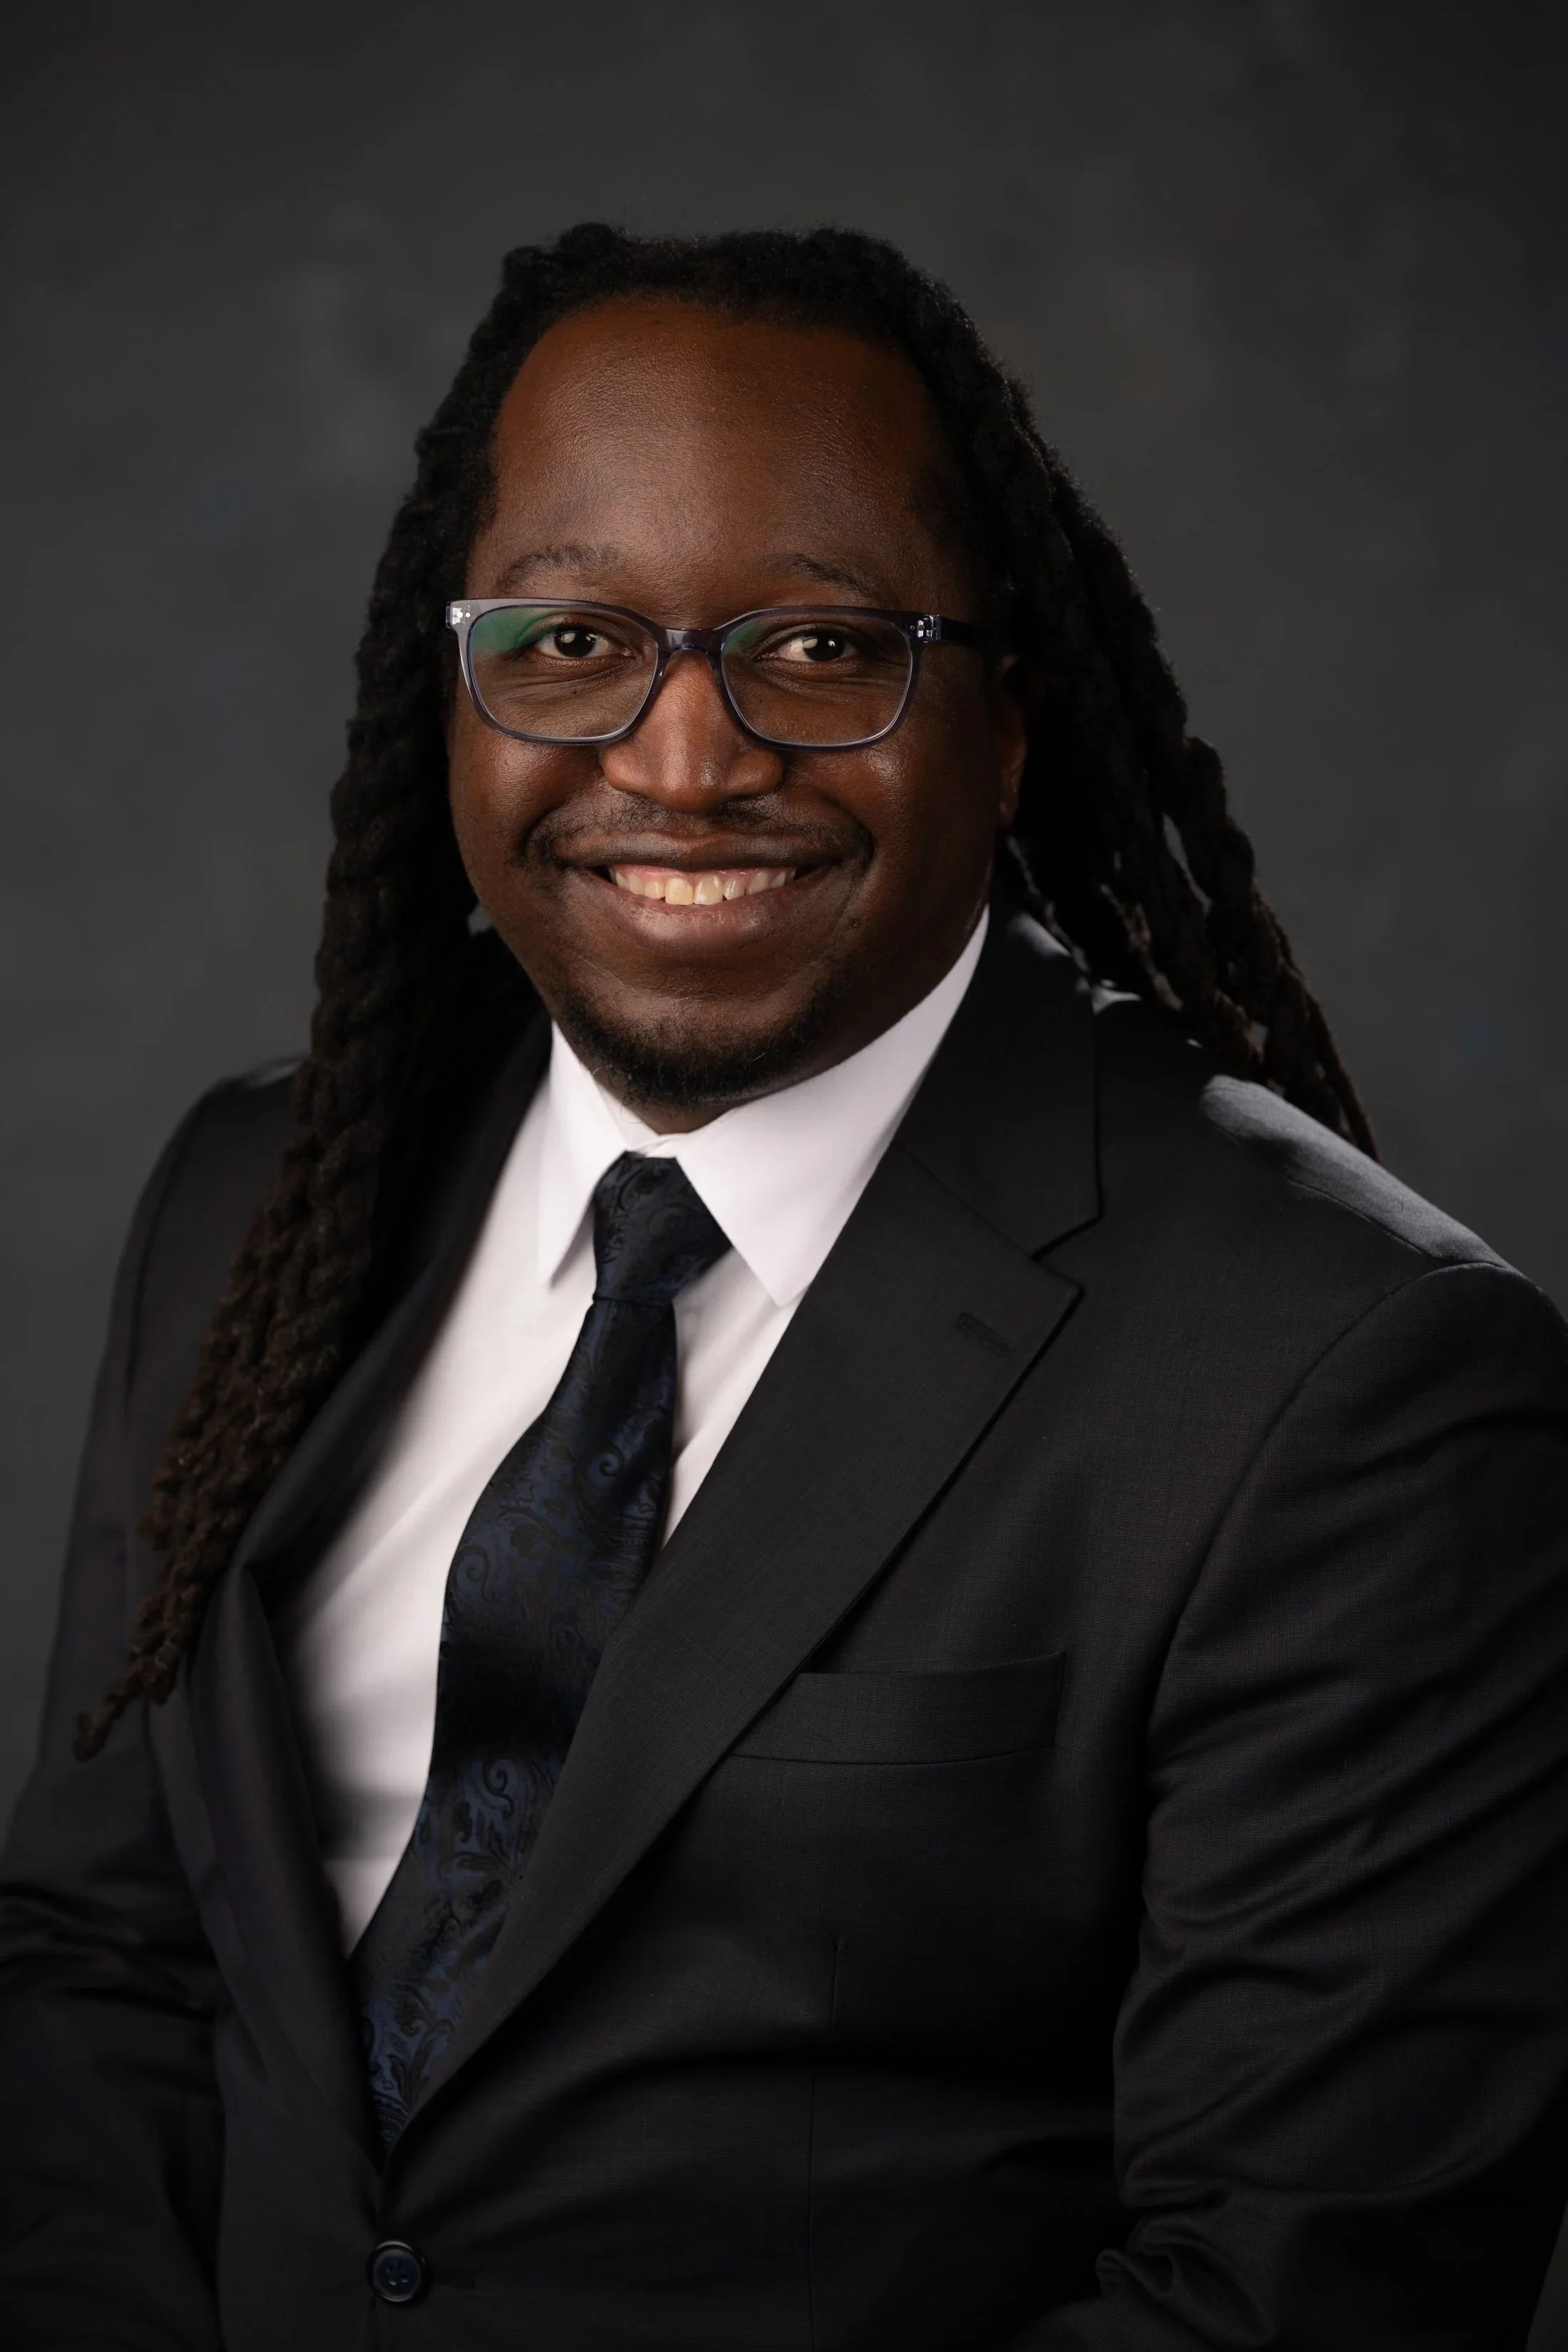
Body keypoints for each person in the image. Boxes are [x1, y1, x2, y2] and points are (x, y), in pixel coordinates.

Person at [2, 221, 1566, 2352]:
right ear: (453, 686)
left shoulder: (1358, 1386)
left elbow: (1284, 2295)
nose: (680, 761)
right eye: (570, 641)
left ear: (1003, 728)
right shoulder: (256, 1203)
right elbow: (96, 1965)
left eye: (821, 653)